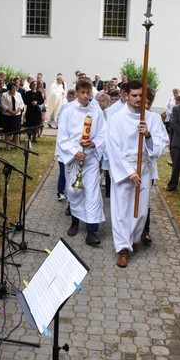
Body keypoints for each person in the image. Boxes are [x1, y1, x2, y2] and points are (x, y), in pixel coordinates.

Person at [107, 81, 167, 267]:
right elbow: (113, 147)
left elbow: (161, 144)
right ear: (126, 96)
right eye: (134, 95)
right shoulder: (117, 118)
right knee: (121, 211)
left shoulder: (153, 118)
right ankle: (122, 248)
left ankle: (132, 239)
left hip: (144, 169)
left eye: (141, 96)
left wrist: (148, 135)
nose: (138, 99)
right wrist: (129, 171)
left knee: (140, 211)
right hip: (124, 170)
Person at [56, 78, 105, 245]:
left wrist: (94, 143)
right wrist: (75, 152)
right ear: (76, 92)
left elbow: (102, 133)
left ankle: (92, 231)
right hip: (74, 158)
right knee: (75, 191)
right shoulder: (68, 111)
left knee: (92, 193)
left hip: (90, 158)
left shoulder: (96, 111)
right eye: (82, 93)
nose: (85, 96)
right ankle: (75, 223)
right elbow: (62, 138)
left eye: (88, 93)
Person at [0, 82, 25, 148]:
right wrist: (10, 111)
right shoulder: (4, 95)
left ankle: (16, 145)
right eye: (13, 88)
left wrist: (17, 110)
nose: (15, 89)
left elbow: (21, 103)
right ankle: (7, 145)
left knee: (17, 131)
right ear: (9, 89)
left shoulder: (18, 94)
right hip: (7, 115)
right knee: (7, 131)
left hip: (17, 115)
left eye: (15, 88)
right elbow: (3, 104)